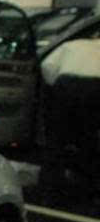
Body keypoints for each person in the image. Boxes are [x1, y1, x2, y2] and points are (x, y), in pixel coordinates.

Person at [40, 35, 100, 181]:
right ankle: (86, 177)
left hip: (66, 85)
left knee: (57, 135)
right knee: (90, 134)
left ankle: (51, 178)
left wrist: (54, 85)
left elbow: (46, 65)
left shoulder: (73, 45)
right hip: (96, 87)